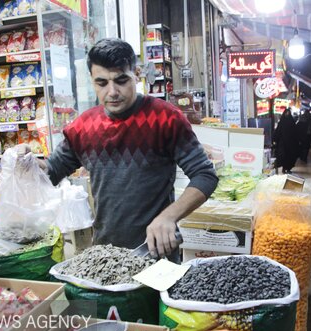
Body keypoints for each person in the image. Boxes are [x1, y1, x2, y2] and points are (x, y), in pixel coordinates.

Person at [17, 38, 218, 259]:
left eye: (121, 80)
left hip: (157, 253)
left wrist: (169, 217)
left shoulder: (165, 118)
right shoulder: (83, 127)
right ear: (92, 81)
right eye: (102, 83)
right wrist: (30, 165)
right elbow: (52, 172)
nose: (112, 91)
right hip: (105, 254)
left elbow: (205, 175)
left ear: (137, 74)